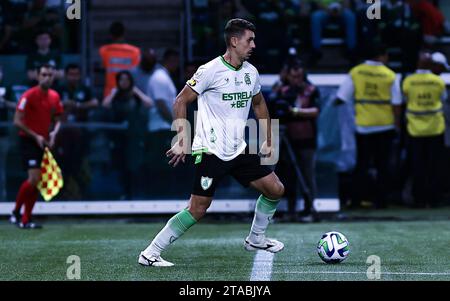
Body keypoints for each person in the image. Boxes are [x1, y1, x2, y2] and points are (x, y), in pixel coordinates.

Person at [138, 18, 285, 267]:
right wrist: (182, 140)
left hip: (238, 149)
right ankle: (150, 253)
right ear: (234, 41)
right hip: (211, 151)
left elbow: (259, 104)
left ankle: (256, 238)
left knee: (275, 189)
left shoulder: (251, 73)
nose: (254, 45)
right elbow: (180, 101)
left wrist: (270, 138)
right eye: (250, 40)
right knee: (198, 209)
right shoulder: (209, 70)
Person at [336, 43, 402, 209]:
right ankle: (381, 201)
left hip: (363, 127)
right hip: (385, 126)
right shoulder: (390, 75)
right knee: (383, 166)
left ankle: (357, 200)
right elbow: (397, 104)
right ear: (383, 55)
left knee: (362, 165)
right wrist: (397, 125)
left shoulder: (356, 72)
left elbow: (341, 97)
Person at [9, 64, 63, 229]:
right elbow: (17, 121)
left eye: (50, 75)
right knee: (33, 179)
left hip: (43, 142)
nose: (47, 77)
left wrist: (54, 133)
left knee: (37, 181)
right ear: (37, 76)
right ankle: (16, 211)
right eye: (44, 74)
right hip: (29, 141)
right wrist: (36, 136)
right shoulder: (28, 96)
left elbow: (58, 119)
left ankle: (26, 220)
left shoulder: (54, 96)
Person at [275, 63, 320, 221]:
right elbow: (272, 104)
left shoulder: (311, 90)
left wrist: (294, 111)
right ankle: (290, 210)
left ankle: (310, 210)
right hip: (286, 139)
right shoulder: (282, 90)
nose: (296, 79)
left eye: (299, 76)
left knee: (307, 175)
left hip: (306, 139)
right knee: (288, 177)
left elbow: (315, 111)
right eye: (292, 76)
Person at [403, 53, 447, 208]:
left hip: (415, 130)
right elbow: (443, 100)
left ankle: (419, 199)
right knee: (434, 166)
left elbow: (405, 100)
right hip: (435, 129)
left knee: (417, 166)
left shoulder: (408, 81)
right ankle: (434, 198)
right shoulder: (438, 82)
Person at [103, 71, 153, 199]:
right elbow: (105, 105)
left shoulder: (136, 96)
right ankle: (123, 193)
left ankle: (135, 194)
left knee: (134, 166)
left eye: (126, 80)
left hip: (134, 137)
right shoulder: (116, 97)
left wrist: (136, 91)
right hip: (118, 138)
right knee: (121, 166)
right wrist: (113, 93)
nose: (124, 82)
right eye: (121, 80)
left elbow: (149, 103)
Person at [145, 49, 179, 196]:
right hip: (160, 129)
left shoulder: (164, 76)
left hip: (164, 128)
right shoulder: (160, 78)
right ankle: (158, 196)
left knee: (166, 165)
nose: (177, 65)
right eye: (175, 61)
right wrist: (176, 124)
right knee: (160, 165)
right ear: (169, 60)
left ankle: (163, 195)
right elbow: (160, 104)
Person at [99, 21, 141, 98]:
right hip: (128, 95)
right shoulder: (135, 51)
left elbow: (102, 68)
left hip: (110, 95)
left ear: (111, 34)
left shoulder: (104, 51)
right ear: (124, 33)